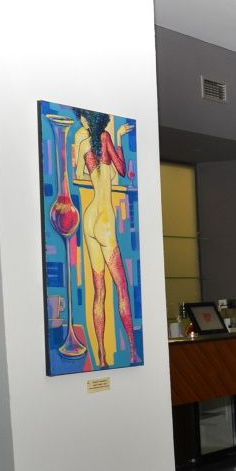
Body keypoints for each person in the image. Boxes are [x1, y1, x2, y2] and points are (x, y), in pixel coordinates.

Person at [72, 107, 141, 366]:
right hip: (104, 220)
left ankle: (101, 356)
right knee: (121, 288)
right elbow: (121, 169)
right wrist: (119, 138)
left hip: (89, 218)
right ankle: (132, 351)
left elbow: (80, 175)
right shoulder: (105, 138)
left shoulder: (82, 144)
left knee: (99, 291)